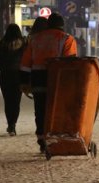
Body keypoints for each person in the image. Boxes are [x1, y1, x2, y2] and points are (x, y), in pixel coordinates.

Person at [20, 12, 78, 152]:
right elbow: (70, 63)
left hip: (38, 80)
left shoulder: (35, 39)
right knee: (57, 110)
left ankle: (42, 139)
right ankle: (56, 137)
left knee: (40, 110)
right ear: (62, 25)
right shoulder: (67, 39)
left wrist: (24, 82)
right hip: (58, 81)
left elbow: (25, 63)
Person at [0, 23, 26, 136]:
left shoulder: (1, 45)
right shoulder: (24, 45)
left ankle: (10, 124)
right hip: (19, 75)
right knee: (16, 101)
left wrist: (1, 67)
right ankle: (13, 124)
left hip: (5, 75)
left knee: (8, 101)